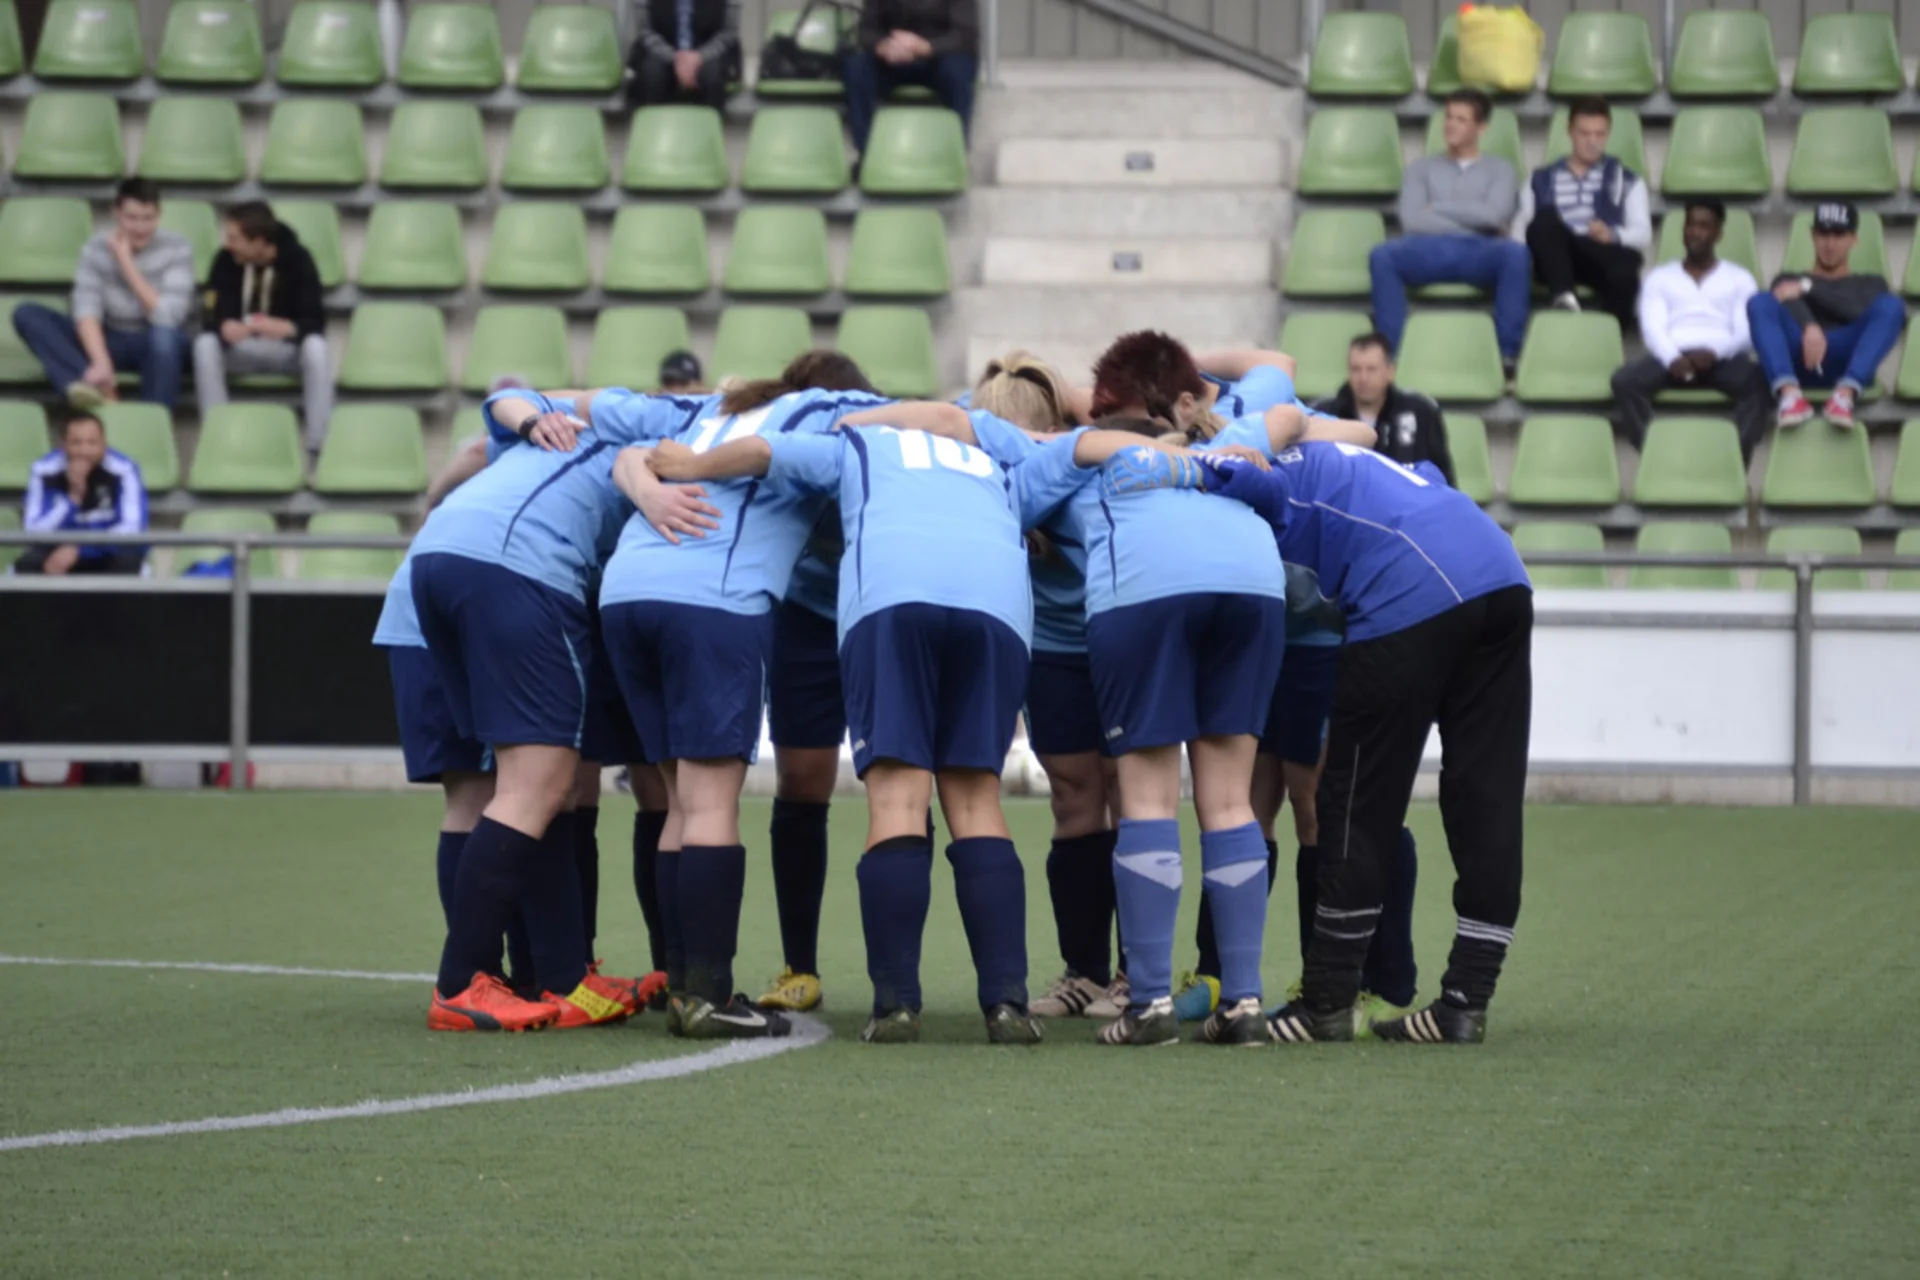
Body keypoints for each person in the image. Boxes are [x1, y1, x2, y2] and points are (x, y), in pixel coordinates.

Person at [1122, 440, 1534, 1045]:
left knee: (1354, 804)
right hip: (1501, 570)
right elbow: (1428, 474)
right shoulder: (1350, 460)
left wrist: (1193, 465)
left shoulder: (1261, 469)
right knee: (1487, 793)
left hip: (1409, 591)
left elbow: (1254, 484)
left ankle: (1328, 1002)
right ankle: (1465, 1002)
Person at [1034, 331, 1372, 1048]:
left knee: (1150, 796)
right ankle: (1242, 1002)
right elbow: (1279, 376)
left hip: (1147, 589)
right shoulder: (1240, 427)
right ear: (1181, 401)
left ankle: (1150, 1001)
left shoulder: (1087, 454)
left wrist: (1076, 440)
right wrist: (1193, 374)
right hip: (1252, 588)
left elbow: (1019, 492)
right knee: (1229, 800)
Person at [597, 354, 887, 1040]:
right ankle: (710, 995)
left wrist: (649, 490)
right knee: (710, 806)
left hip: (626, 592)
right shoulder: (834, 413)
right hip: (712, 600)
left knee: (675, 800)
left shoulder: (715, 410)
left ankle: (678, 983)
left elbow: (631, 452)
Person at [406, 384, 690, 1033]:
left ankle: (557, 977)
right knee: (539, 785)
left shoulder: (576, 424)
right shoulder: (672, 438)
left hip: (440, 556)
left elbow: (505, 395)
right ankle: (464, 983)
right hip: (517, 566)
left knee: (532, 786)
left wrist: (534, 417)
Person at [970, 353, 1125, 1021]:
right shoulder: (978, 464)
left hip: (1120, 631)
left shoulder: (1087, 456)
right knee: (1073, 797)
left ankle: (1136, 974)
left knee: (1132, 796)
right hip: (1051, 648)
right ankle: (1083, 972)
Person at [1369, 89, 1529, 372]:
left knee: (1515, 255)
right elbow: (1411, 220)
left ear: (1481, 127)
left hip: (1479, 252)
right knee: (1383, 255)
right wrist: (1475, 218)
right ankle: (1390, 355)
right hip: (1429, 249)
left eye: (1461, 119)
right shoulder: (1421, 169)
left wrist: (1439, 207)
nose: (1450, 125)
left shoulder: (1501, 170)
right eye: (1448, 118)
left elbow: (1495, 215)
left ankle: (1507, 357)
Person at [12, 179, 193, 412]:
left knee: (165, 338)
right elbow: (86, 310)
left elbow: (168, 317)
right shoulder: (94, 248)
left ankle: (153, 422)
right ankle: (99, 393)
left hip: (153, 340)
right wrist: (101, 361)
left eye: (148, 218)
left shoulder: (177, 247)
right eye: (132, 218)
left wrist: (126, 263)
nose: (140, 227)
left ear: (159, 215)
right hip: (110, 339)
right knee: (27, 314)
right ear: (116, 214)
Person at [1611, 199, 1770, 462]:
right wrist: (1672, 357)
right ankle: (1657, 458)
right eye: (1691, 225)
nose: (1696, 232)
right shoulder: (1660, 277)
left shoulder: (1739, 278)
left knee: (1760, 382)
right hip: (1672, 358)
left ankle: (1734, 462)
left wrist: (1714, 353)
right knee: (1624, 382)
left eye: (1704, 226)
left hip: (1723, 359)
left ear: (1718, 234)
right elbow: (1652, 327)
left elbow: (1745, 331)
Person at [1747, 201, 1905, 431]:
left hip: (1847, 361)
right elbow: (1783, 306)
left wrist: (1807, 289)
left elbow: (1855, 309)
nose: (1830, 244)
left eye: (1839, 235)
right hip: (1799, 360)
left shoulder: (1871, 284)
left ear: (1854, 239)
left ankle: (1844, 396)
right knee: (1760, 301)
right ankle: (1790, 396)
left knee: (1892, 306)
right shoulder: (1786, 280)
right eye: (1823, 234)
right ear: (1813, 236)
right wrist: (1810, 327)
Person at [193, 202, 333, 452]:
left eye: (235, 238)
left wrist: (286, 328)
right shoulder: (224, 260)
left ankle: (319, 444)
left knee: (317, 348)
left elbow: (316, 321)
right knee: (204, 344)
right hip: (239, 349)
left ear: (258, 241)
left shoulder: (299, 260)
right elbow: (209, 313)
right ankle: (218, 437)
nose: (228, 244)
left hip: (285, 351)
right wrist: (223, 327)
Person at [1519, 97, 1651, 327]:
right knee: (1545, 221)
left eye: (1600, 134)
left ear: (1608, 134)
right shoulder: (1539, 179)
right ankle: (1565, 298)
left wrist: (1612, 234)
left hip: (1599, 254)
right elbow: (1520, 230)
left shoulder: (1628, 180)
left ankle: (1611, 335)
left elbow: (1643, 234)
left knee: (1628, 263)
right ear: (1570, 132)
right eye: (1585, 133)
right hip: (1551, 256)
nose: (1592, 142)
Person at [1313, 332, 1455, 486]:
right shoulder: (1324, 413)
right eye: (1356, 369)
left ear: (1390, 371)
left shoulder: (1421, 411)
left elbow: (1444, 479)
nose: (1363, 378)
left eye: (1371, 369)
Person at [14, 413, 146, 576]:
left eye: (92, 443)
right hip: (57, 551)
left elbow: (132, 528)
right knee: (27, 565)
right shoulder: (42, 470)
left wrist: (81, 549)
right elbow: (33, 531)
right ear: (63, 445)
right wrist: (73, 498)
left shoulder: (125, 469)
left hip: (107, 552)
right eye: (76, 443)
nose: (84, 451)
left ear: (104, 444)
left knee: (127, 563)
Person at [845, 0, 979, 158]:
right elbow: (865, 31)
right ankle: (867, 154)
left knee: (958, 68)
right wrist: (884, 46)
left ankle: (955, 154)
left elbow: (965, 36)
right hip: (893, 58)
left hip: (940, 57)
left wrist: (924, 46)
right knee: (857, 66)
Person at [626, 0, 741, 111]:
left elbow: (729, 32)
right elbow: (645, 31)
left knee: (712, 75)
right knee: (652, 73)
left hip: (711, 50)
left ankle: (712, 127)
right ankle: (651, 127)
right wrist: (676, 58)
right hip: (660, 49)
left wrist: (698, 57)